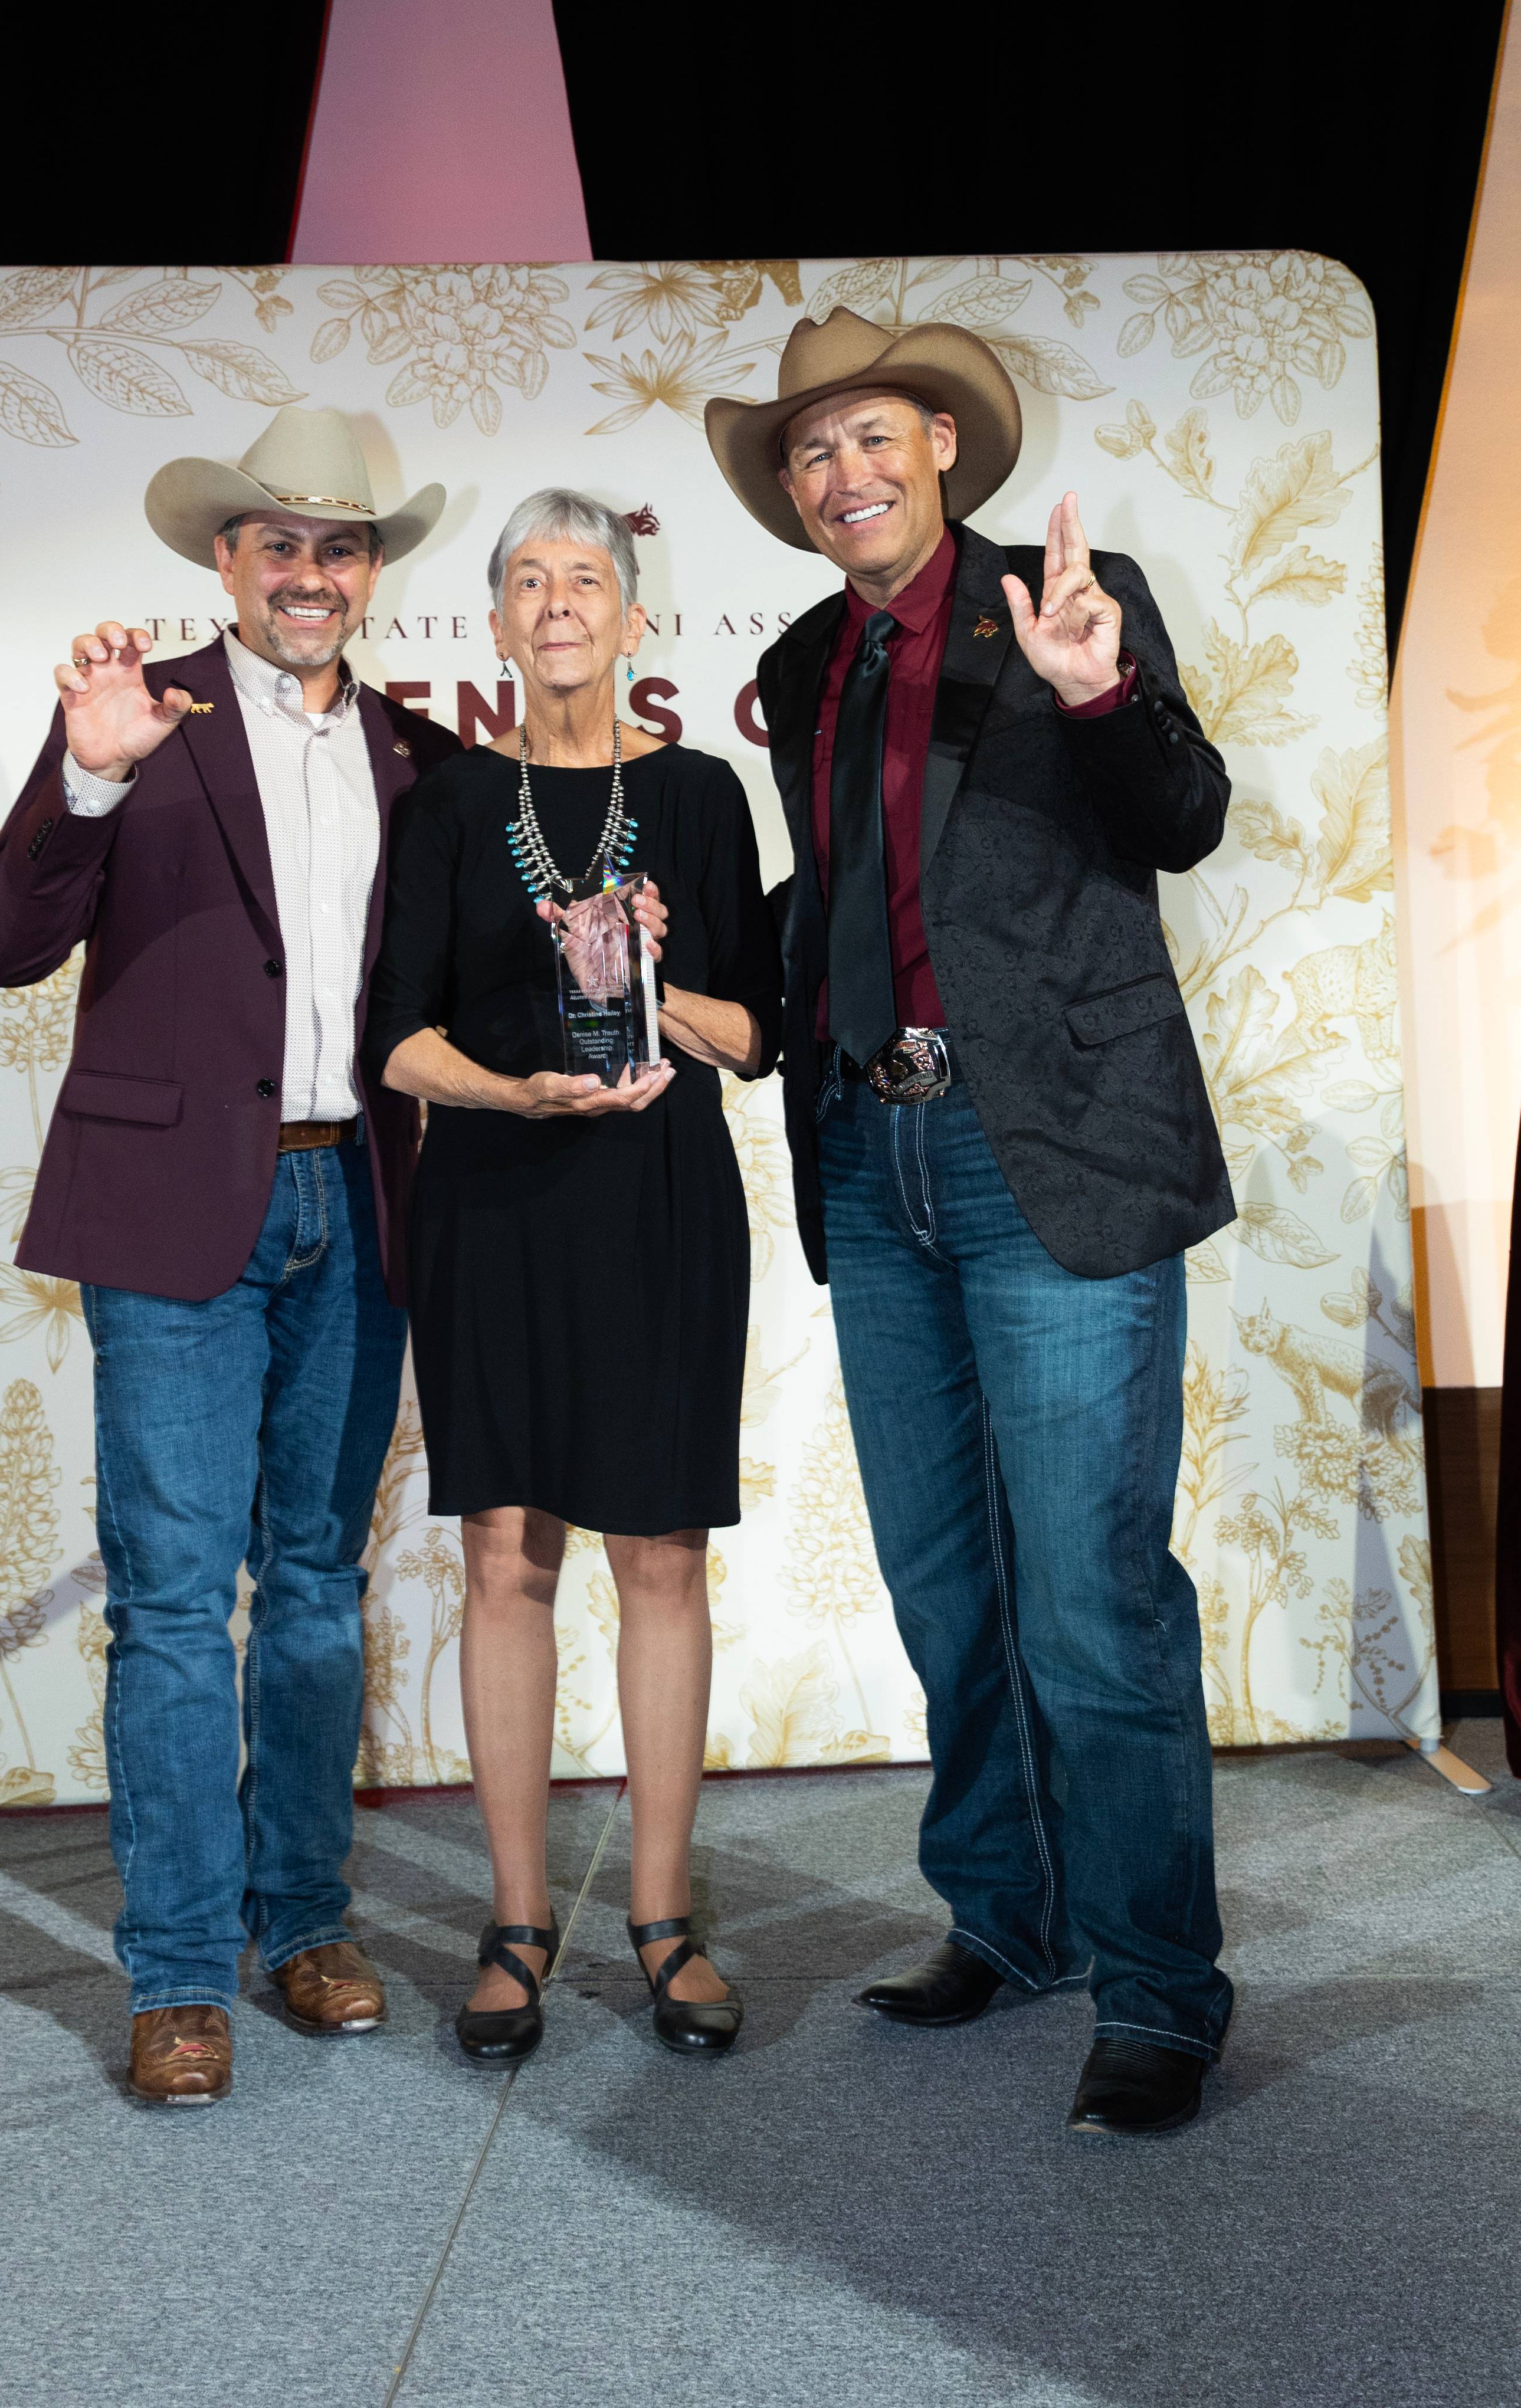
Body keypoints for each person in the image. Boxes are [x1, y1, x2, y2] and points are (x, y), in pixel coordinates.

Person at [704, 309, 1237, 2136]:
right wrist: (730, 1004)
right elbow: (843, 896)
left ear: (940, 443)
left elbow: (1181, 820)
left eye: (868, 438)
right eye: (807, 455)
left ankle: (1161, 1986)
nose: (839, 476)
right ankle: (1008, 1923)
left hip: (1055, 1159)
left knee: (1094, 1599)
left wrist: (1099, 688)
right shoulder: (796, 659)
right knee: (950, 1588)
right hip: (873, 1151)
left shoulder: (1068, 601)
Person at [0, 408, 458, 2105]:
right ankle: (178, 1972)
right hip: (180, 1216)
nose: (308, 573)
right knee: (178, 1603)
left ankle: (302, 1919)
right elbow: (7, 943)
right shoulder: (139, 720)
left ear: (371, 572)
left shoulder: (420, 757)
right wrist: (86, 767)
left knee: (316, 1596)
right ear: (225, 563)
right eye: (276, 544)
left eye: (339, 547)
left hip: (362, 1208)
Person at [363, 489, 783, 2065]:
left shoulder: (700, 795)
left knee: (661, 1556)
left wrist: (665, 986)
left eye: (586, 578)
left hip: (661, 1206)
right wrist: (508, 1090)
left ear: (630, 617)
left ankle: (665, 1917)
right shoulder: (452, 808)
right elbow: (395, 1034)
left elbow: (763, 1037)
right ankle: (519, 1920)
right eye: (528, 579)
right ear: (492, 621)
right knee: (507, 1554)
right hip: (497, 1204)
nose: (558, 602)